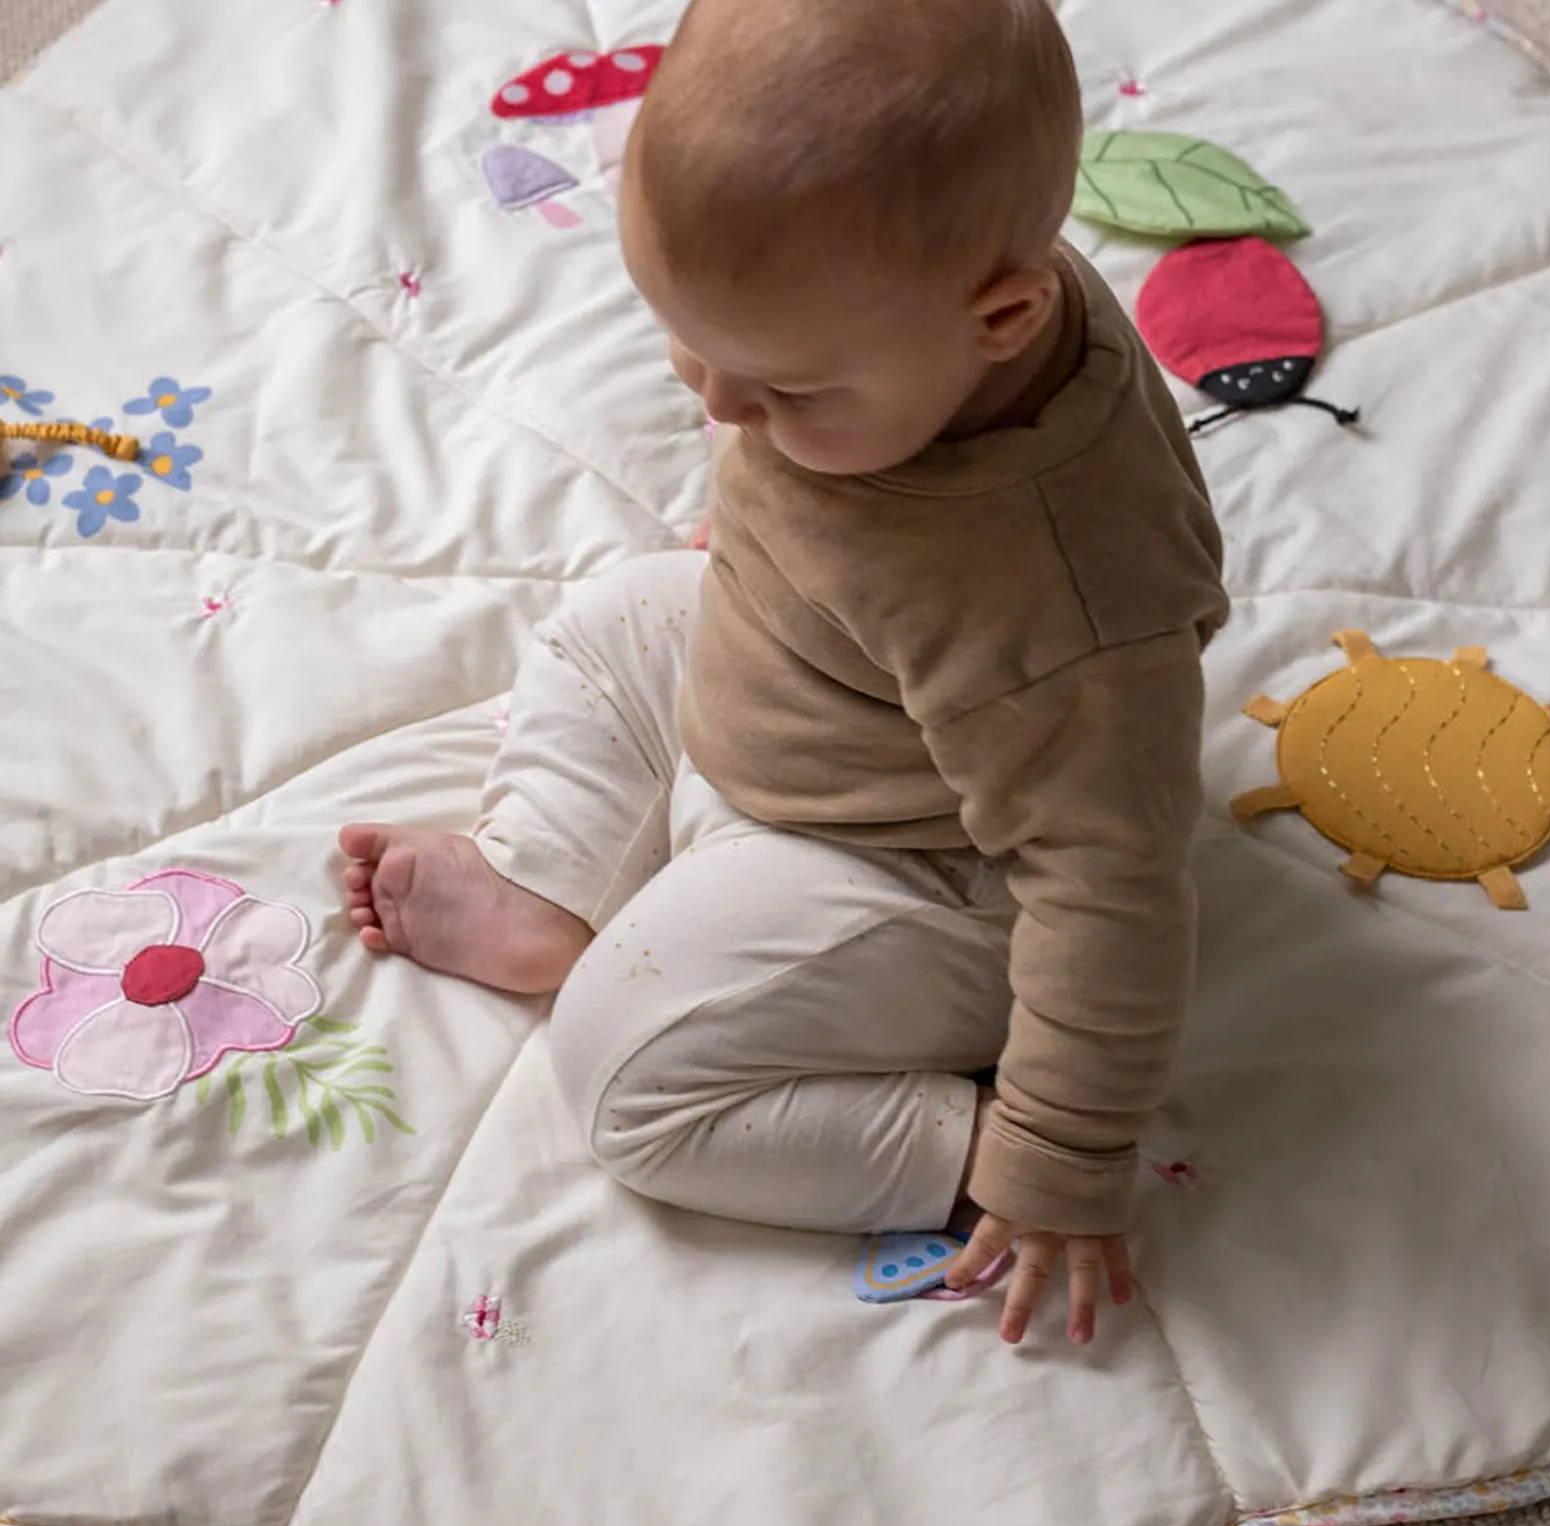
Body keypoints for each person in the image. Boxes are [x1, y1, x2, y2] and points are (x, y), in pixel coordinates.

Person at [340, 0, 1226, 1346]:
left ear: (1004, 316)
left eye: (791, 392)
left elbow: (1114, 888)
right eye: (689, 343)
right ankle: (551, 880)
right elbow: (783, 422)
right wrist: (780, 502)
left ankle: (965, 1143)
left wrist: (1060, 1149)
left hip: (932, 869)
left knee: (622, 1077)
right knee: (613, 616)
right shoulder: (924, 309)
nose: (719, 406)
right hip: (820, 693)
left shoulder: (1061, 609)